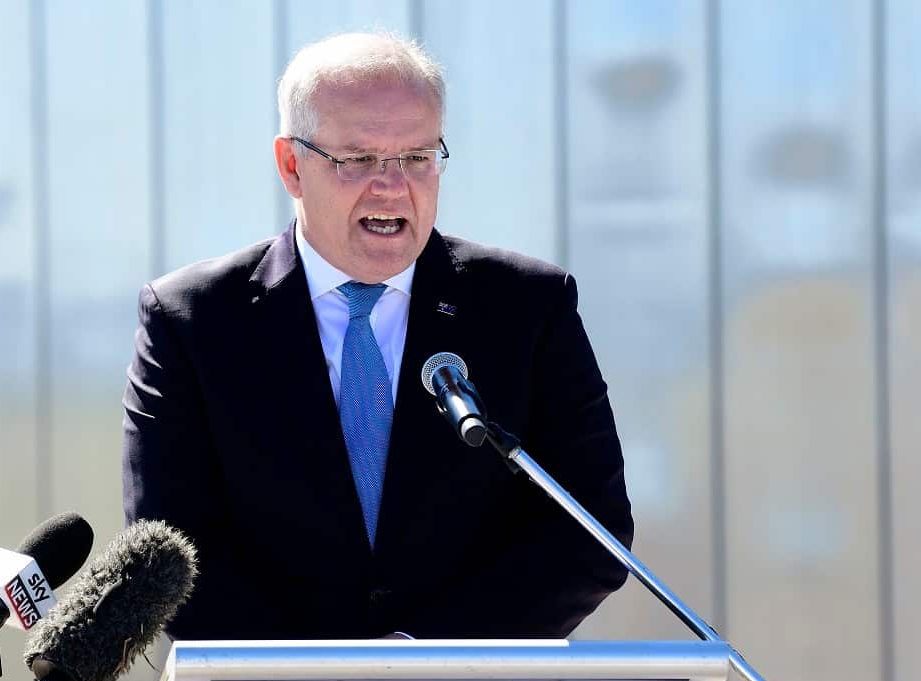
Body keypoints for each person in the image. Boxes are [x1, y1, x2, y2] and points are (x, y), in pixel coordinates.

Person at [122, 32, 633, 640]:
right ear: (292, 165)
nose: (392, 186)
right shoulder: (193, 320)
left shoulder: (528, 307)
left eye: (417, 157)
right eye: (359, 159)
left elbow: (588, 531)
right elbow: (169, 548)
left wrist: (421, 664)